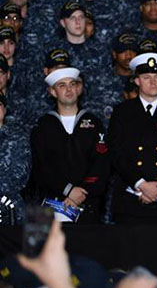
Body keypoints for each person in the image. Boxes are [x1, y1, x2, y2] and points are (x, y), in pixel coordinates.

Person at [107, 52, 157, 224]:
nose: (153, 82)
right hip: (129, 200)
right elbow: (115, 153)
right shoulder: (122, 112)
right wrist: (141, 184)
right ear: (136, 81)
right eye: (146, 77)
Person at [29, 67, 109, 222]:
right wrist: (68, 190)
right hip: (54, 204)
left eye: (72, 84)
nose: (69, 89)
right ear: (52, 92)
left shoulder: (94, 122)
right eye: (62, 86)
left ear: (78, 88)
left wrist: (81, 193)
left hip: (89, 204)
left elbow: (102, 164)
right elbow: (41, 166)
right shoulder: (43, 125)